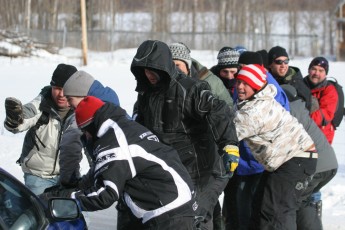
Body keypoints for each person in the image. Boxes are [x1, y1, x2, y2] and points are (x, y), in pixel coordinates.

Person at [41, 96, 197, 229]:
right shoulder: (122, 126)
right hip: (174, 203)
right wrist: (65, 191)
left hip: (168, 213)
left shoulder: (113, 143)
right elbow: (103, 172)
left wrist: (65, 200)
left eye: (85, 132)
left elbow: (105, 194)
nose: (86, 137)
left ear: (90, 126)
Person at [131, 39, 239, 229]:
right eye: (145, 71)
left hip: (202, 170)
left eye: (153, 70)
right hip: (172, 171)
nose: (149, 75)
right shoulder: (146, 94)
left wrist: (229, 144)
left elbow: (219, 112)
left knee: (193, 219)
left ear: (163, 66)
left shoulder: (190, 88)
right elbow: (139, 128)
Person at [232, 64, 317, 229]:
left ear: (256, 85)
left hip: (295, 159)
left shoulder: (254, 112)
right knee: (260, 205)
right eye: (239, 82)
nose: (240, 87)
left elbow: (227, 134)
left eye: (246, 83)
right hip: (289, 160)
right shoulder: (257, 100)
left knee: (276, 212)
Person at [223, 51, 290, 230]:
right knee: (241, 208)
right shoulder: (246, 84)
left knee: (254, 210)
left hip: (259, 162)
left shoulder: (271, 90)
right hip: (245, 160)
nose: (240, 75)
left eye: (243, 69)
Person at [3, 64, 85, 195]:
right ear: (51, 87)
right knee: (40, 213)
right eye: (57, 88)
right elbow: (25, 116)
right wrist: (14, 120)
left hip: (69, 177)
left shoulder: (82, 111)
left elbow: (93, 143)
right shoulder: (41, 104)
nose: (62, 94)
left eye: (66, 89)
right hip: (38, 176)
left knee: (69, 213)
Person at [281, 84, 338, 230]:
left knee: (295, 201)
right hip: (329, 164)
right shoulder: (300, 108)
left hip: (316, 166)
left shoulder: (289, 113)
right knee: (304, 199)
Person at [302, 57, 339, 229]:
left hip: (320, 144)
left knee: (313, 185)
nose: (316, 73)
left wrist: (303, 114)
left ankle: (314, 221)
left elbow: (325, 115)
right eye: (313, 69)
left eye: (320, 70)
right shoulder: (302, 85)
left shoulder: (329, 90)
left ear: (326, 73)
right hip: (302, 142)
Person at [169, 42, 233, 110]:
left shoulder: (211, 81)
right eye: (170, 65)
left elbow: (228, 107)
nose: (174, 69)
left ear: (187, 65)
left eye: (177, 65)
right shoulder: (163, 83)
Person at [268, 45, 312, 111]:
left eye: (286, 61)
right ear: (270, 65)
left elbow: (306, 108)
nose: (283, 65)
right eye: (279, 62)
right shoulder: (266, 80)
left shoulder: (296, 81)